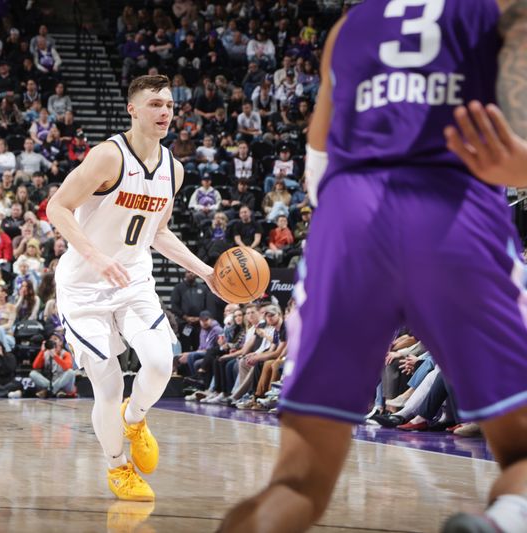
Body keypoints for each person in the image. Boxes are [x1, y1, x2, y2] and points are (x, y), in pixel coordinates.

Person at [221, 3, 527, 533]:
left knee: (296, 484)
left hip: (350, 221)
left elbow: (316, 172)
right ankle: (504, 522)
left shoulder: (346, 29)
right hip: (453, 208)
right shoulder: (499, 10)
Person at [48, 74, 226, 502]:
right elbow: (57, 206)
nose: (164, 112)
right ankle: (117, 467)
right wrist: (94, 255)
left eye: (168, 104)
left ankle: (137, 418)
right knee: (107, 386)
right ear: (133, 109)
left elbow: (158, 232)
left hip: (133, 282)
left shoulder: (174, 169)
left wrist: (205, 270)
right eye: (154, 104)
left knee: (161, 364)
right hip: (84, 289)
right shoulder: (108, 157)